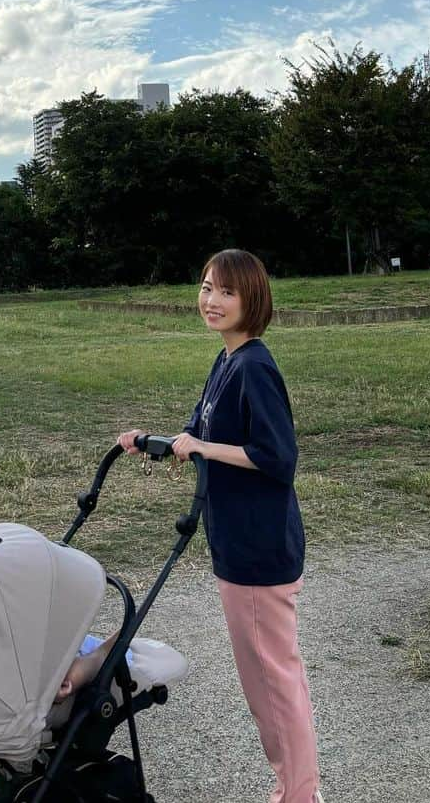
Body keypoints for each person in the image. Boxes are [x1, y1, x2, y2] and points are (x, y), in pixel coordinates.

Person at [118, 248, 322, 803]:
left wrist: (204, 445)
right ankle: (296, 790)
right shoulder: (226, 360)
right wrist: (151, 442)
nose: (212, 300)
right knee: (269, 682)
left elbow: (277, 457)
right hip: (235, 541)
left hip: (258, 549)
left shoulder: (255, 365)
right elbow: (199, 435)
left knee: (273, 687)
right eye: (207, 287)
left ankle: (298, 795)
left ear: (251, 299)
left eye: (226, 292)